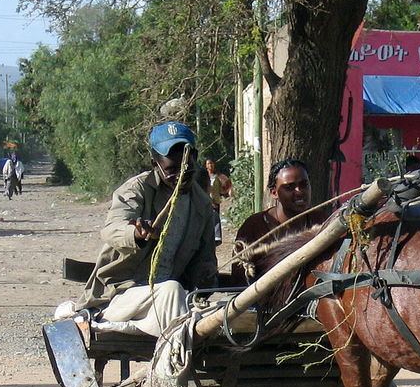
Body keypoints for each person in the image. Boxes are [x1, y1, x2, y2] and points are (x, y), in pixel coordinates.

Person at [71, 121, 217, 337]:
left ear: (194, 158)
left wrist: (206, 276)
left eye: (186, 168)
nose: (180, 176)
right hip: (120, 296)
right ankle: (176, 364)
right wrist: (136, 234)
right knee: (171, 291)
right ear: (154, 163)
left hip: (167, 301)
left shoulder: (202, 204)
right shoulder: (136, 189)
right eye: (171, 170)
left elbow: (205, 260)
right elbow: (112, 229)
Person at [232, 158, 320, 284]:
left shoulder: (320, 221)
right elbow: (239, 280)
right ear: (274, 193)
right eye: (289, 187)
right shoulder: (254, 228)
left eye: (304, 185)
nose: (299, 192)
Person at [204, 158, 223, 245]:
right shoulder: (204, 177)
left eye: (211, 163)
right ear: (206, 166)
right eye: (208, 164)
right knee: (214, 218)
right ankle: (216, 237)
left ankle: (213, 237)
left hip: (216, 201)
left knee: (215, 217)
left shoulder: (217, 176)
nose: (210, 165)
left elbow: (221, 188)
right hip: (207, 201)